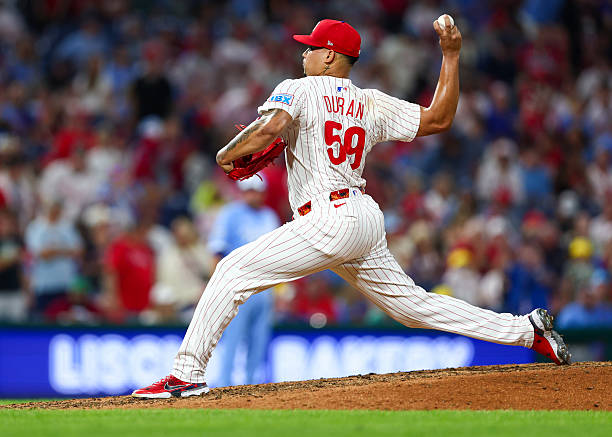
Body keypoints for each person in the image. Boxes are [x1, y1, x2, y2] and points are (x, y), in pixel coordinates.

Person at [133, 17, 570, 399]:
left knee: (232, 270)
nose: (303, 54)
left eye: (310, 48)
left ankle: (184, 375)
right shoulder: (370, 101)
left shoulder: (298, 89)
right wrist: (451, 55)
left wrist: (226, 153)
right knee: (413, 307)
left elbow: (274, 125)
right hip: (362, 217)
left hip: (327, 218)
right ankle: (527, 330)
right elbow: (439, 118)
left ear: (329, 56)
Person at [208, 177, 280, 386]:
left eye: (255, 191)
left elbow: (278, 256)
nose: (252, 195)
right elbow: (217, 250)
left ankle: (251, 385)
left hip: (264, 288)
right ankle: (224, 384)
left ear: (263, 193)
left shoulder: (269, 216)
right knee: (232, 340)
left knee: (259, 341)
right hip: (237, 286)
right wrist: (216, 286)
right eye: (248, 191)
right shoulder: (230, 214)